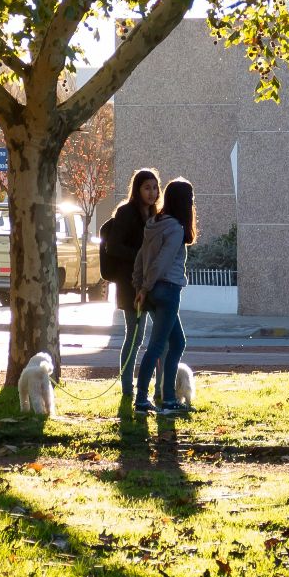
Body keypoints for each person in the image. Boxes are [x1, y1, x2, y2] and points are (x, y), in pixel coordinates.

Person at [99, 168, 160, 414]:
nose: (152, 193)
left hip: (149, 283)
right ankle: (127, 388)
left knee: (151, 337)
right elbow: (113, 247)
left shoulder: (154, 214)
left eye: (155, 188)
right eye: (147, 187)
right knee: (134, 337)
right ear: (137, 189)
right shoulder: (126, 212)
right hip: (129, 283)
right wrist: (141, 258)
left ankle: (157, 389)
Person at [132, 177, 194, 416]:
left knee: (177, 343)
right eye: (191, 199)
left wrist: (141, 286)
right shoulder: (176, 229)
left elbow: (141, 258)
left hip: (155, 291)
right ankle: (146, 399)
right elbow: (162, 262)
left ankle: (167, 396)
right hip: (167, 290)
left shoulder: (154, 222)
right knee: (157, 347)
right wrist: (144, 287)